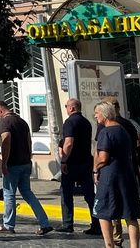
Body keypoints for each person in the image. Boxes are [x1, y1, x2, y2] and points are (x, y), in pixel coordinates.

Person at [0, 100, 52, 234]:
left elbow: (6, 140)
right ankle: (44, 222)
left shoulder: (5, 123)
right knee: (27, 193)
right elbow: (29, 141)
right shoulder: (22, 122)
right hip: (25, 163)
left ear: (0, 111)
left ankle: (8, 225)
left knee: (9, 194)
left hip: (13, 164)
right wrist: (28, 157)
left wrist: (4, 162)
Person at [93, 101, 140, 248]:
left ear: (104, 114)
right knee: (130, 213)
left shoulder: (106, 132)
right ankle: (134, 246)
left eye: (97, 113)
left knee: (103, 212)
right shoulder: (123, 130)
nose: (95, 116)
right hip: (127, 175)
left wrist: (95, 169)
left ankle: (109, 245)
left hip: (110, 177)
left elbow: (103, 157)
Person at [55, 98, 100, 234]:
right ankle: (96, 224)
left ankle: (68, 223)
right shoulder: (86, 122)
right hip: (86, 162)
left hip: (72, 164)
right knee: (89, 195)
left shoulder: (69, 122)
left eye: (66, 106)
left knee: (66, 193)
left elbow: (68, 143)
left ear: (72, 108)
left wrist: (64, 160)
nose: (66, 108)